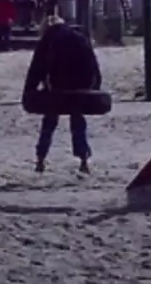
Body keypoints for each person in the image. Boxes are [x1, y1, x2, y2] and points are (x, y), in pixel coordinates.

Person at [23, 15, 100, 173]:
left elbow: (36, 69)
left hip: (57, 88)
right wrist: (94, 88)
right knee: (78, 121)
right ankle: (84, 159)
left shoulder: (48, 40)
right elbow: (93, 65)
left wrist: (29, 91)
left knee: (49, 122)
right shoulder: (80, 37)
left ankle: (41, 159)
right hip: (80, 88)